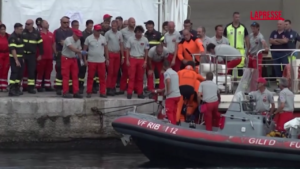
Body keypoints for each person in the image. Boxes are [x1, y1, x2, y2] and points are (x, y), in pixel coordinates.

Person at [83, 24, 108, 98]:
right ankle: (89, 92)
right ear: (94, 30)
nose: (99, 32)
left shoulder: (103, 38)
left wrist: (107, 59)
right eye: (97, 31)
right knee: (90, 77)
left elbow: (106, 49)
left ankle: (102, 92)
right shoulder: (88, 38)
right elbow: (84, 50)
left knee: (102, 77)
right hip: (91, 61)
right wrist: (85, 60)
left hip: (101, 61)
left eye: (100, 31)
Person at [126, 25, 149, 99]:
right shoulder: (130, 39)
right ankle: (129, 93)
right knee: (131, 77)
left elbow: (146, 51)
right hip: (132, 58)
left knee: (140, 78)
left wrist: (145, 61)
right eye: (138, 32)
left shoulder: (145, 39)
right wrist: (127, 60)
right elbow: (127, 50)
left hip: (141, 59)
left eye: (141, 32)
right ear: (135, 32)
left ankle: (140, 93)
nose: (139, 34)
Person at [224, 12, 250, 77]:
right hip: (230, 50)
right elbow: (224, 38)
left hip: (240, 50)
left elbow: (247, 38)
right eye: (236, 17)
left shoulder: (243, 27)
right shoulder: (228, 27)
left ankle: (240, 83)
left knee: (240, 67)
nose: (237, 19)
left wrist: (248, 49)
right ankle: (229, 81)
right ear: (233, 18)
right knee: (230, 66)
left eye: (238, 17)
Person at [22, 19, 43, 94]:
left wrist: (40, 54)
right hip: (23, 55)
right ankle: (19, 87)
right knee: (21, 71)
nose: (26, 25)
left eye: (28, 24)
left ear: (32, 24)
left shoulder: (36, 33)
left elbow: (40, 45)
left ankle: (31, 87)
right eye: (26, 24)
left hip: (32, 55)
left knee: (31, 72)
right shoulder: (22, 32)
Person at [61, 29, 84, 98]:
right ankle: (65, 92)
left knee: (75, 76)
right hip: (66, 59)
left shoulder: (78, 41)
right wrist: (80, 51)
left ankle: (76, 92)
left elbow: (78, 50)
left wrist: (81, 60)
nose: (78, 37)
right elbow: (71, 48)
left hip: (73, 59)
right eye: (77, 36)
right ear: (74, 34)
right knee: (66, 76)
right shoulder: (68, 39)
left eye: (79, 36)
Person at [156, 60, 181, 124]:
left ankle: (171, 126)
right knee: (174, 111)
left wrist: (168, 91)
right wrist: (162, 90)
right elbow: (173, 83)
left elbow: (168, 81)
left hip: (171, 96)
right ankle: (175, 125)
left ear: (164, 66)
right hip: (177, 95)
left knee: (169, 111)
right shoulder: (175, 73)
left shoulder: (167, 73)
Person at [54, 16, 73, 95]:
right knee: (59, 71)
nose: (66, 24)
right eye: (64, 22)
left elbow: (68, 42)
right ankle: (58, 88)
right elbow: (59, 42)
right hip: (61, 53)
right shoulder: (57, 31)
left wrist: (66, 43)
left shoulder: (71, 31)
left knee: (70, 72)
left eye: (68, 22)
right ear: (61, 22)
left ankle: (70, 87)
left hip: (70, 53)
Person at [36, 20, 56, 92]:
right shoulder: (38, 34)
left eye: (47, 23)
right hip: (41, 56)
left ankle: (47, 85)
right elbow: (36, 45)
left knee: (48, 71)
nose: (48, 24)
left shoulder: (51, 34)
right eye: (46, 23)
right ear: (42, 25)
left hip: (49, 56)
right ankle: (38, 86)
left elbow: (53, 44)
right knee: (40, 71)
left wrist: (55, 52)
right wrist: (38, 55)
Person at [105, 20, 124, 96]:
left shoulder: (120, 33)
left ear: (117, 25)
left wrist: (122, 56)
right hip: (110, 53)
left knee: (116, 72)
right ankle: (108, 88)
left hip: (117, 54)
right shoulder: (108, 34)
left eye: (115, 25)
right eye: (112, 25)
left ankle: (113, 87)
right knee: (110, 72)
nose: (113, 27)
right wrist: (107, 58)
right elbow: (105, 46)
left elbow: (121, 44)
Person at [118, 17, 135, 95]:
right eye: (132, 22)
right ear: (128, 23)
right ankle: (122, 88)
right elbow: (120, 43)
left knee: (132, 72)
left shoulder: (137, 31)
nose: (133, 24)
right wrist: (122, 55)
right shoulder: (122, 32)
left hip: (134, 53)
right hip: (125, 52)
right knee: (125, 71)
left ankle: (132, 87)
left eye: (134, 22)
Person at [8, 23, 24, 96]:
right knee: (14, 73)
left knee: (19, 74)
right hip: (14, 58)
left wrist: (22, 58)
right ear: (16, 29)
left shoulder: (20, 36)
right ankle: (12, 89)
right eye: (20, 29)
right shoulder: (12, 37)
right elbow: (13, 49)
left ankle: (17, 88)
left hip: (21, 58)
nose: (22, 30)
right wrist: (16, 60)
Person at [78, 19, 94, 94]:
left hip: (92, 55)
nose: (91, 27)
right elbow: (80, 45)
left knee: (93, 72)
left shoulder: (94, 34)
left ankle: (93, 87)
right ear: (86, 25)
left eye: (92, 26)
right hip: (84, 54)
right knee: (82, 72)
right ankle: (80, 86)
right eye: (90, 26)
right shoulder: (82, 34)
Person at [0, 24, 10, 92]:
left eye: (4, 29)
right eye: (1, 29)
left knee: (5, 70)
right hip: (0, 54)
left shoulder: (8, 36)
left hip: (7, 54)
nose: (3, 31)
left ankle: (4, 86)